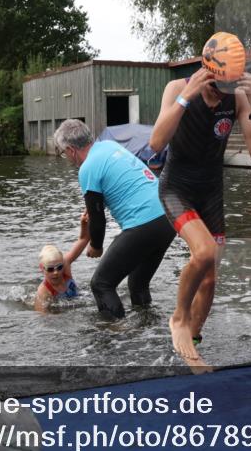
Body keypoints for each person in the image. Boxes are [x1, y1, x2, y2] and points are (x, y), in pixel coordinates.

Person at [149, 50, 251, 361]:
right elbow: (156, 143)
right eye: (216, 85)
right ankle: (178, 318)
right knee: (203, 253)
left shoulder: (237, 99)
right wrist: (186, 97)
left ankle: (193, 341)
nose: (220, 94)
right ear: (206, 70)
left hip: (211, 191)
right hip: (176, 187)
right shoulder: (177, 89)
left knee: (211, 276)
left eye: (228, 86)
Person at [54, 118, 176, 319]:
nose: (66, 157)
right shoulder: (109, 146)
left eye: (63, 152)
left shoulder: (87, 168)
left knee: (101, 284)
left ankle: (115, 334)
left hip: (144, 223)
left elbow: (98, 217)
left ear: (70, 150)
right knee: (138, 283)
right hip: (168, 217)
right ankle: (147, 329)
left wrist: (96, 245)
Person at [34, 213, 91, 312]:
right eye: (50, 269)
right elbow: (42, 317)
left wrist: (84, 223)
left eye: (59, 267)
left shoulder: (66, 264)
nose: (55, 272)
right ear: (42, 268)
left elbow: (84, 239)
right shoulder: (44, 292)